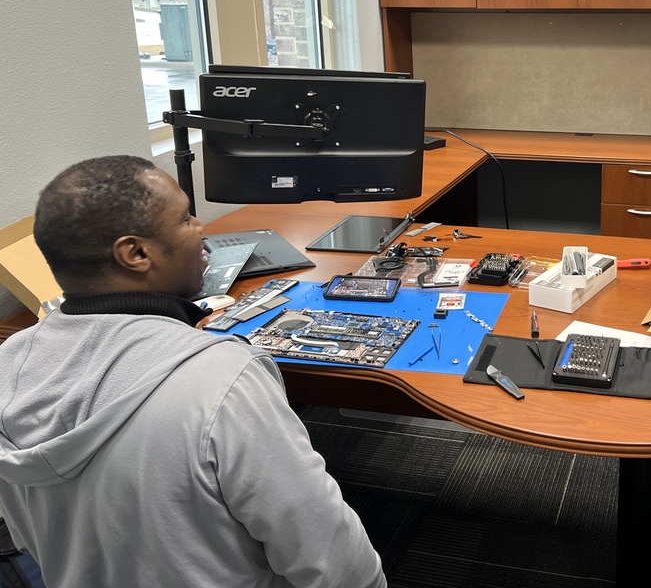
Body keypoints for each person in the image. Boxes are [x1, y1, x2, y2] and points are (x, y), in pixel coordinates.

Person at [0, 156, 386, 588]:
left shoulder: (8, 362)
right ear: (136, 253)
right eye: (185, 219)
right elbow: (333, 560)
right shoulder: (223, 378)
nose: (203, 228)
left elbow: (25, 535)